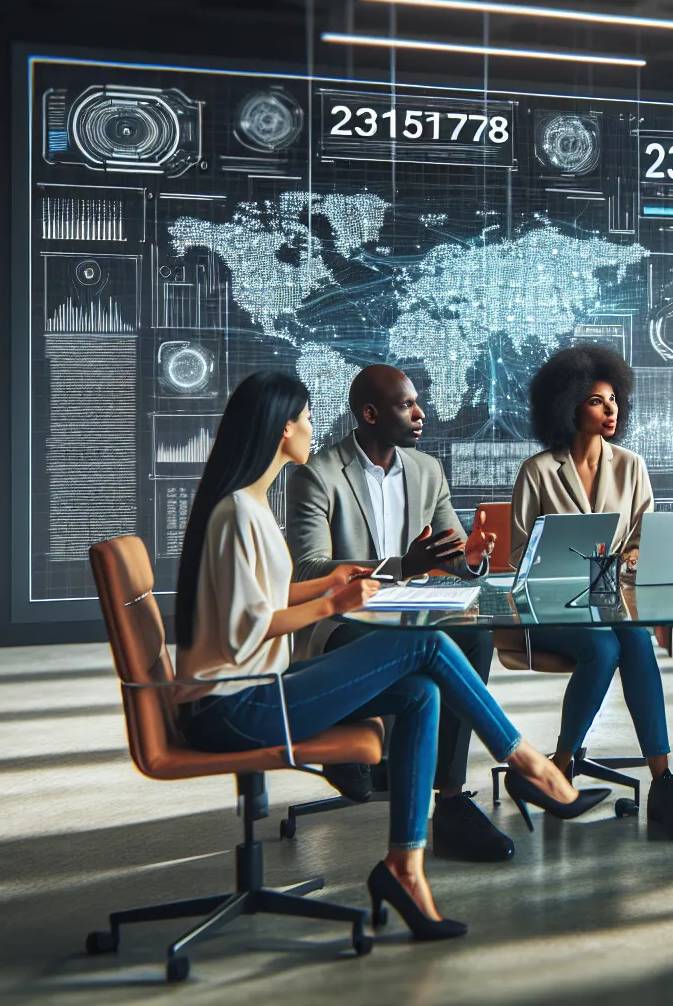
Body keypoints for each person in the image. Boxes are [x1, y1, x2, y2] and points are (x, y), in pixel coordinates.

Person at [174, 371, 606, 941]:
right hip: (233, 706)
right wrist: (339, 599)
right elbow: (245, 628)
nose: (311, 427)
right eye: (304, 417)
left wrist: (351, 579)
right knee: (429, 646)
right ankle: (530, 765)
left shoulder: (249, 507)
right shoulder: (240, 513)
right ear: (282, 430)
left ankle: (404, 866)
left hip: (251, 692)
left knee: (424, 690)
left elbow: (269, 593)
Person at [286, 364, 512, 863]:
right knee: (417, 657)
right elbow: (307, 571)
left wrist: (471, 558)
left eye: (418, 403)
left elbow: (450, 552)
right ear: (369, 414)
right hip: (342, 622)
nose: (420, 413)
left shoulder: (426, 471)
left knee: (476, 638)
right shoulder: (317, 475)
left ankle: (450, 801)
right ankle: (362, 743)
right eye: (406, 405)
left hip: (410, 615)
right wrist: (400, 567)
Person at [511, 344, 673, 841]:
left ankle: (662, 782)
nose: (612, 409)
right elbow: (517, 557)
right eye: (598, 400)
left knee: (636, 641)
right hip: (551, 604)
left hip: (609, 596)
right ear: (570, 406)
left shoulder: (631, 466)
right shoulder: (537, 470)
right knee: (602, 647)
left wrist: (632, 559)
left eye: (615, 399)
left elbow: (640, 538)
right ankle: (561, 764)